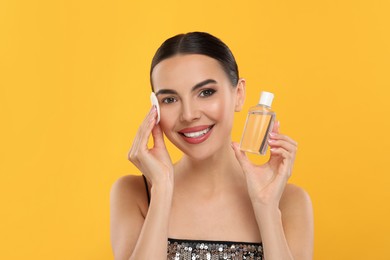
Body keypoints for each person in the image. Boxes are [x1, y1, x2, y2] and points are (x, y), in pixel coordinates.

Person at [110, 32, 314, 260]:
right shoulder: (135, 193)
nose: (188, 115)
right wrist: (162, 188)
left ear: (239, 94)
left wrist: (266, 207)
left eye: (206, 92)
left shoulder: (290, 201)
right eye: (170, 99)